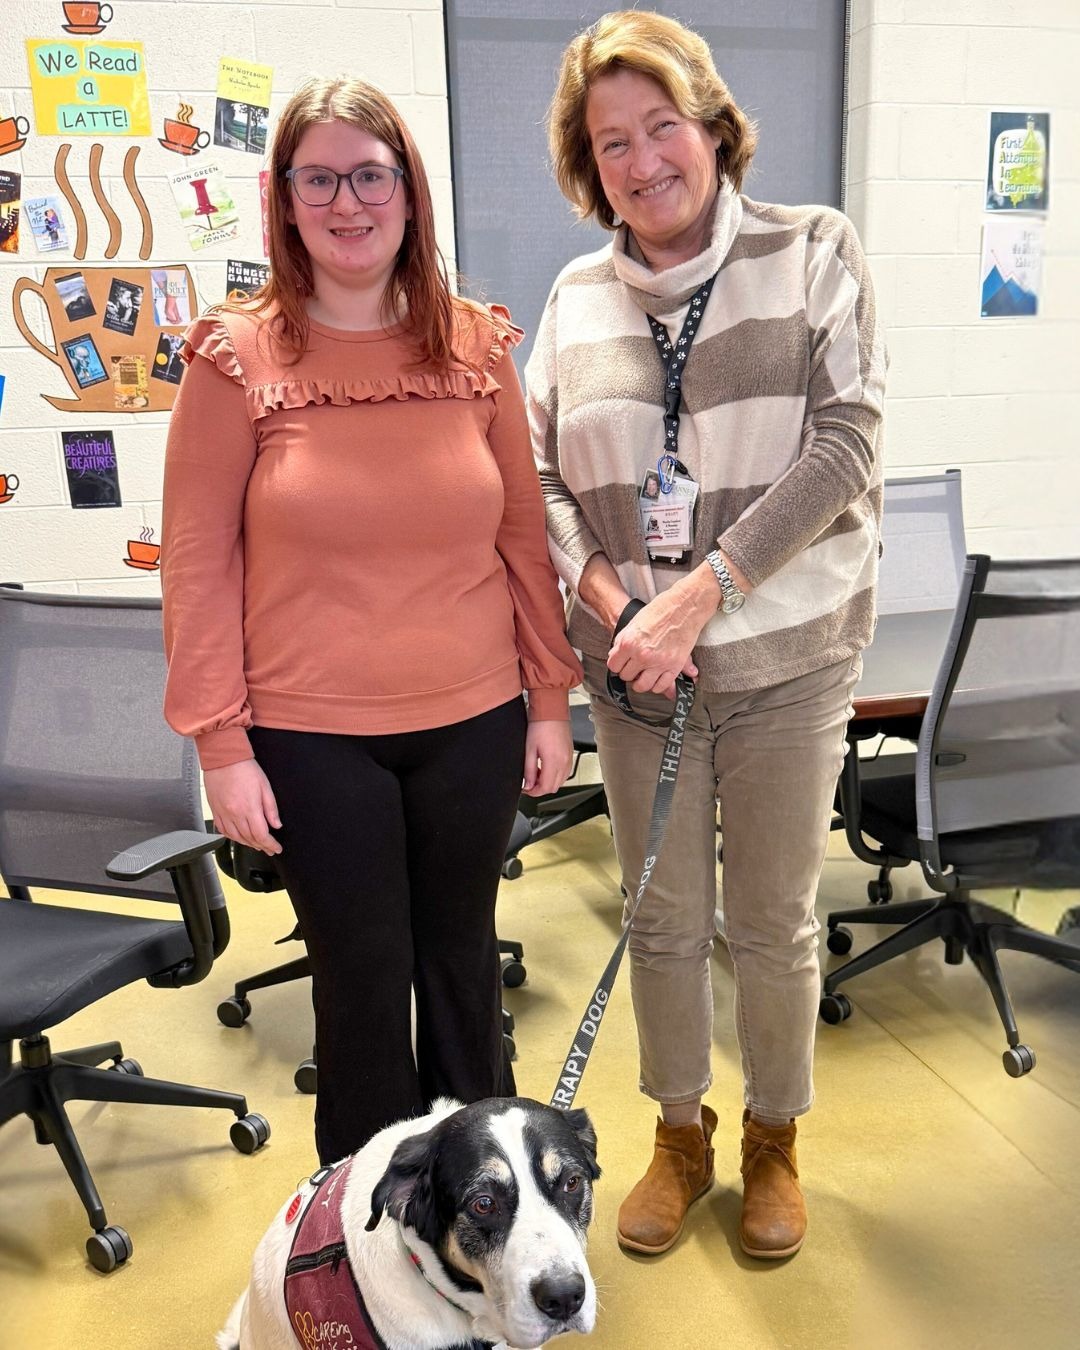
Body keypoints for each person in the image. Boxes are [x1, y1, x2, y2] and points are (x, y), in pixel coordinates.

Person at [162, 76, 582, 1166]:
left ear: (409, 190)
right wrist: (221, 746)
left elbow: (522, 537)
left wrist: (549, 701)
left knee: (462, 969)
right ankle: (358, 1226)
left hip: (475, 720)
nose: (347, 204)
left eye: (369, 176)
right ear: (284, 199)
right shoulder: (234, 358)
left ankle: (489, 1212)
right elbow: (198, 565)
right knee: (360, 981)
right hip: (310, 736)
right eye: (319, 180)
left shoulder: (477, 347)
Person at [527, 11, 885, 1260]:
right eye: (609, 142)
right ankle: (679, 1134)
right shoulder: (576, 298)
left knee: (774, 924)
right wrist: (618, 607)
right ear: (588, 166)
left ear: (714, 127)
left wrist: (701, 593)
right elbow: (538, 478)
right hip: (638, 676)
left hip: (789, 658)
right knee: (662, 918)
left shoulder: (812, 250)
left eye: (659, 126)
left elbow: (845, 442)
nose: (640, 161)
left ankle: (773, 1139)